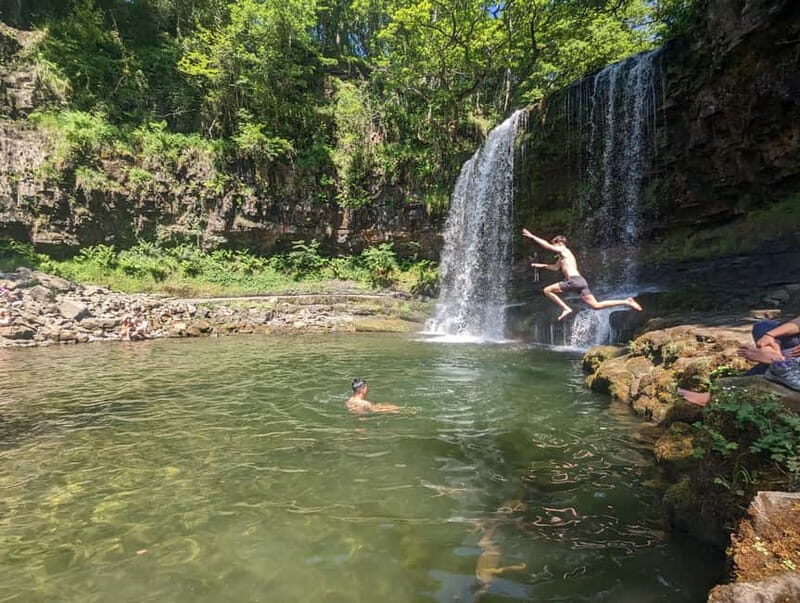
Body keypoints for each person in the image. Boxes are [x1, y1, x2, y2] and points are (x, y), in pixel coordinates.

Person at [521, 229, 643, 321]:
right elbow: (555, 268)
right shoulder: (563, 257)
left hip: (573, 281)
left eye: (555, 245)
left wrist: (532, 236)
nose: (554, 249)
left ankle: (566, 308)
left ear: (559, 244)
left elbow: (547, 246)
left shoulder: (564, 250)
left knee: (547, 290)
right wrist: (542, 266)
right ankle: (626, 301)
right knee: (596, 305)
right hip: (581, 282)